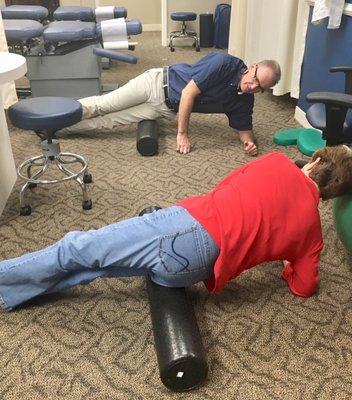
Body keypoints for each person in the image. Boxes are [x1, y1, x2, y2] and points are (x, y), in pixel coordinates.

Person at [1, 145, 351, 312]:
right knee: (95, 267)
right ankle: (11, 293)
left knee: (76, 247)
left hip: (184, 232)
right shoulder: (313, 234)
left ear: (316, 160)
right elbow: (305, 287)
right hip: (190, 272)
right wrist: (289, 267)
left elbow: (224, 188)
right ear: (334, 194)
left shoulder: (275, 162)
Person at [61, 52, 281, 156]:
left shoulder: (244, 100)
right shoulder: (224, 64)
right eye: (254, 78)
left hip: (163, 108)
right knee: (102, 106)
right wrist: (182, 133)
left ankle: (58, 130)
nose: (252, 86)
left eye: (259, 87)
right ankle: (55, 115)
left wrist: (249, 144)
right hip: (155, 83)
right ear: (252, 67)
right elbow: (188, 93)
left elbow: (244, 128)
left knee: (108, 123)